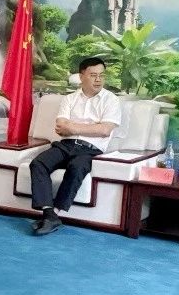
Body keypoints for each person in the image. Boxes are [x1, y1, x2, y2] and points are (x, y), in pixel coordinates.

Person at [30, 57, 122, 235]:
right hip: (65, 145)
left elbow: (104, 130)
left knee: (77, 167)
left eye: (101, 75)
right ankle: (49, 214)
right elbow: (61, 127)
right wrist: (91, 127)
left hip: (91, 149)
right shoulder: (69, 99)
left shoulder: (111, 100)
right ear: (81, 77)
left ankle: (55, 214)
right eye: (93, 75)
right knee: (38, 163)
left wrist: (73, 127)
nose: (98, 79)